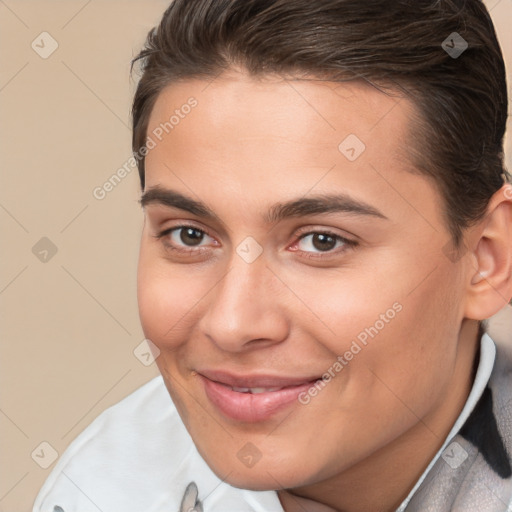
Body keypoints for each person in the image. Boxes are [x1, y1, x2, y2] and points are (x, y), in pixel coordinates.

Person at [33, 0, 512, 511]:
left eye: (321, 241)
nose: (233, 324)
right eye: (190, 235)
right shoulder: (105, 487)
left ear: (486, 260)